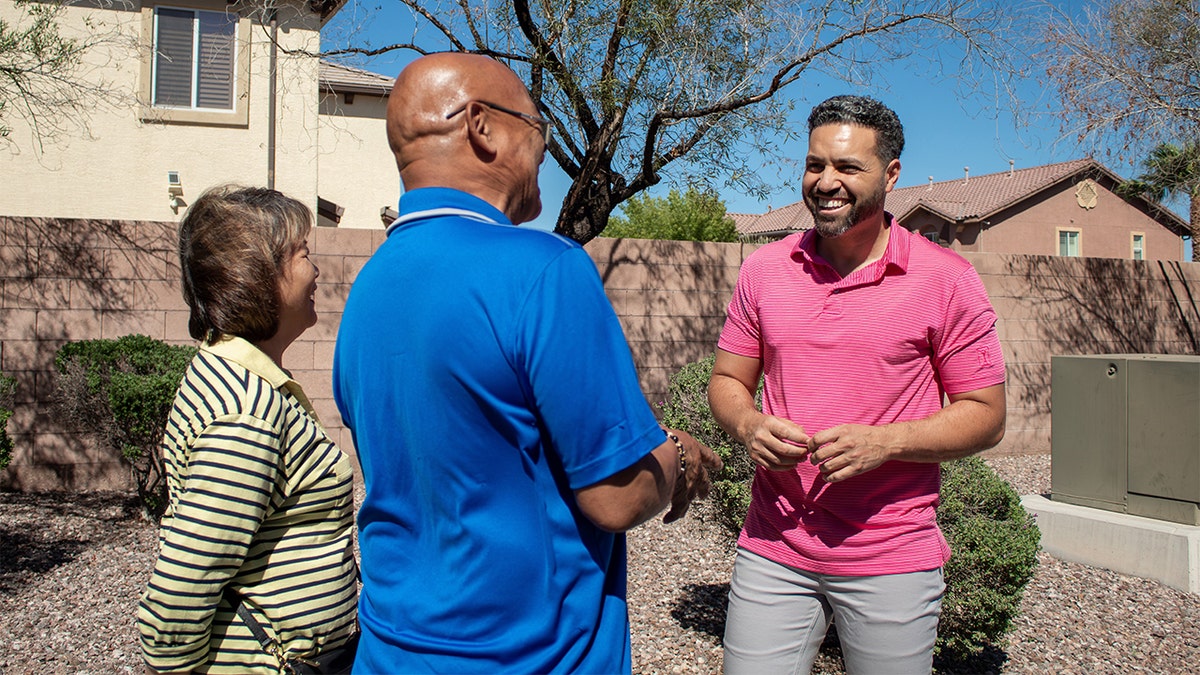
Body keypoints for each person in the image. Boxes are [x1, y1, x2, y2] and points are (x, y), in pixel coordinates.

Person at [332, 52, 722, 674]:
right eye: (536, 127)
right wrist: (678, 456)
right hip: (532, 658)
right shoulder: (544, 268)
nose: (542, 150)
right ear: (482, 127)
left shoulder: (367, 288)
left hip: (390, 651)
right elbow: (617, 498)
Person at [708, 95, 1007, 674]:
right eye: (815, 164)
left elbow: (986, 413)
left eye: (847, 168)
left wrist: (886, 443)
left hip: (892, 555)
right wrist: (747, 423)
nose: (826, 182)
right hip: (773, 547)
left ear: (890, 174)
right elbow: (727, 379)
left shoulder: (946, 278)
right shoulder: (764, 270)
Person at [137, 186, 358, 674]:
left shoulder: (247, 383)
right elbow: (182, 589)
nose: (316, 270)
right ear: (256, 274)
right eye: (302, 254)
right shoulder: (245, 410)